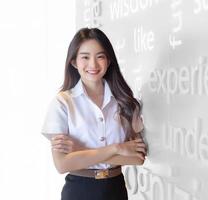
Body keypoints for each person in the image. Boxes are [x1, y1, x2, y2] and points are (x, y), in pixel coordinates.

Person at [41, 27, 147, 200]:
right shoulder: (62, 103)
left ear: (109, 60)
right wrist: (117, 148)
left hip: (116, 190)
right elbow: (62, 164)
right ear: (74, 62)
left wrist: (80, 152)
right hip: (79, 190)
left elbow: (137, 158)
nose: (93, 65)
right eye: (85, 57)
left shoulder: (124, 101)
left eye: (100, 57)